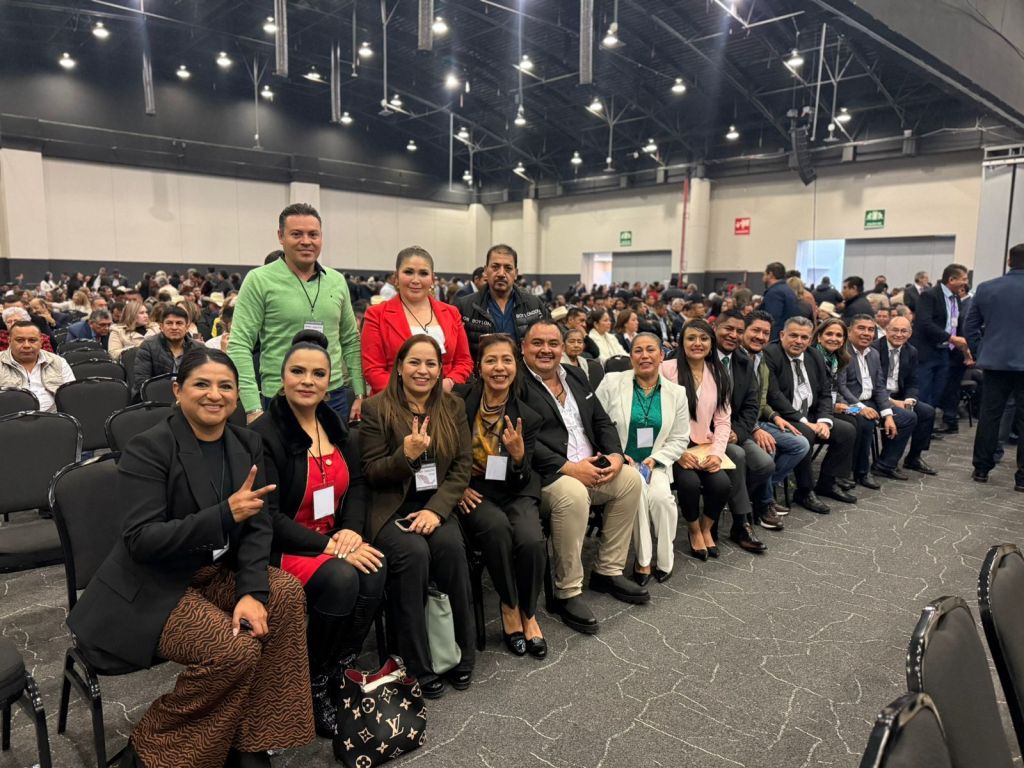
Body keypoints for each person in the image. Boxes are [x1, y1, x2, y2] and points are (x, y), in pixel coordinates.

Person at [66, 348, 314, 768]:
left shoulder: (247, 443)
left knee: (285, 592)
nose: (215, 394)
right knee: (235, 652)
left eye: (225, 386)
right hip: (153, 583)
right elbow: (141, 541)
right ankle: (148, 753)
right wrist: (224, 515)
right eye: (202, 384)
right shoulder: (149, 447)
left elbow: (258, 527)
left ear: (237, 395)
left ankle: (252, 742)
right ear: (178, 390)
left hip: (212, 571)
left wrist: (252, 592)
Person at [250, 332, 385, 736]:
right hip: (285, 545)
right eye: (298, 371)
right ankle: (314, 680)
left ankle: (341, 665)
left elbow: (357, 484)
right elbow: (269, 518)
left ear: (330, 382)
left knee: (374, 569)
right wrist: (332, 547)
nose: (307, 381)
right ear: (282, 377)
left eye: (318, 374)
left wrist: (350, 532)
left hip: (332, 538)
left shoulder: (336, 424)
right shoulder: (264, 434)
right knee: (342, 577)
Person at [359, 334, 475, 698]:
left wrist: (437, 511)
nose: (422, 370)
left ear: (440, 370)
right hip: (392, 507)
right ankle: (417, 662)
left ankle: (462, 650)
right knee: (413, 554)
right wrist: (405, 456)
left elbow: (462, 466)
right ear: (399, 367)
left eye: (430, 364)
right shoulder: (376, 408)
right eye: (414, 362)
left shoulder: (452, 406)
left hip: (436, 505)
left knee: (451, 549)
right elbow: (372, 473)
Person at [519, 320, 646, 634]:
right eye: (537, 343)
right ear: (523, 347)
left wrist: (615, 455)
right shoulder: (516, 382)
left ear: (562, 348)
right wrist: (569, 468)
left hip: (592, 467)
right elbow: (523, 441)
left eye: (553, 343)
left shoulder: (575, 375)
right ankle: (568, 591)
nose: (546, 350)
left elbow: (601, 420)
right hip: (549, 476)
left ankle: (608, 571)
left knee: (630, 480)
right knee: (573, 494)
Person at [229, 203, 366, 425]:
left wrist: (359, 392)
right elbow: (239, 344)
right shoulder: (259, 280)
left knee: (334, 449)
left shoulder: (337, 281)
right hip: (280, 395)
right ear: (280, 237)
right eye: (296, 234)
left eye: (313, 234)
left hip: (332, 396)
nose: (306, 241)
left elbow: (350, 339)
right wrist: (252, 406)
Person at [455, 335, 547, 658]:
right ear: (479, 367)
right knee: (496, 529)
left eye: (507, 360)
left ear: (516, 366)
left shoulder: (528, 416)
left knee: (531, 539)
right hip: (473, 490)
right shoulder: (458, 401)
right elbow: (442, 451)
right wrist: (457, 487)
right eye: (491, 360)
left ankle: (529, 613)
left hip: (515, 489)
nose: (499, 367)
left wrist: (519, 457)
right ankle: (510, 607)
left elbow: (523, 477)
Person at [596, 333, 689, 582]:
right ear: (631, 356)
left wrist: (656, 459)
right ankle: (643, 561)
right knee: (637, 496)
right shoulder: (611, 382)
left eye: (650, 350)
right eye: (638, 350)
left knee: (662, 499)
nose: (644, 356)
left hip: (654, 463)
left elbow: (680, 438)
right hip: (622, 463)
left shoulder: (677, 393)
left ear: (661, 356)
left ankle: (666, 559)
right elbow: (596, 423)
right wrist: (616, 453)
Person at [765, 317, 857, 514]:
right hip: (784, 417)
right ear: (782, 335)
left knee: (847, 430)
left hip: (812, 414)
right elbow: (774, 395)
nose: (799, 341)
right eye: (793, 335)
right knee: (805, 433)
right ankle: (805, 491)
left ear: (810, 339)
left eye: (804, 337)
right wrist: (805, 422)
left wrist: (824, 420)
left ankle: (827, 482)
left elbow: (825, 392)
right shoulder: (771, 354)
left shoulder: (813, 355)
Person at [661, 320, 734, 561]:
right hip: (672, 447)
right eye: (691, 338)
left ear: (712, 344)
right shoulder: (666, 369)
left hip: (704, 446)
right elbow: (656, 415)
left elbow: (722, 421)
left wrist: (717, 454)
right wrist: (676, 453)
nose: (697, 343)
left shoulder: (719, 373)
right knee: (689, 483)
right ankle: (693, 531)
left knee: (722, 484)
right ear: (681, 342)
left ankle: (706, 528)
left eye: (704, 338)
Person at [361, 246, 473, 394]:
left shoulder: (452, 313)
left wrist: (450, 382)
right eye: (409, 272)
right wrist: (411, 395)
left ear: (432, 278)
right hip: (393, 401)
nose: (415, 280)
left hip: (444, 400)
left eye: (423, 273)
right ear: (396, 277)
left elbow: (464, 361)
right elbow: (373, 370)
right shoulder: (376, 315)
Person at [740, 311, 811, 522]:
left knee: (800, 444)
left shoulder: (760, 359)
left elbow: (761, 400)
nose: (760, 336)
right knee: (768, 449)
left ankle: (761, 492)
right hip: (739, 424)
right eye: (755, 330)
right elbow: (733, 406)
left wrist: (774, 416)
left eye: (765, 333)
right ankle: (763, 504)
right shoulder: (736, 359)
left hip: (758, 419)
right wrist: (755, 429)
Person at [712, 310, 777, 543]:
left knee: (764, 464)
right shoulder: (701, 355)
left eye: (739, 331)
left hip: (734, 430)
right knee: (737, 456)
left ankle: (723, 501)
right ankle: (741, 522)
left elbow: (751, 406)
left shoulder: (744, 361)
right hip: (704, 432)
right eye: (728, 329)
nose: (734, 335)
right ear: (715, 328)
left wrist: (738, 433)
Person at [966, 243, 1024, 489]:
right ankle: (1022, 479)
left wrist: (981, 351)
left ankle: (981, 469)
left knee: (989, 416)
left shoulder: (986, 288)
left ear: (1009, 261)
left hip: (994, 363)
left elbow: (970, 326)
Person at [837, 315, 916, 487]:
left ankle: (885, 465)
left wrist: (888, 415)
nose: (866, 333)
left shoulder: (873, 354)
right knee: (865, 421)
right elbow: (841, 388)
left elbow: (880, 388)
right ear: (849, 331)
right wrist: (860, 408)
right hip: (847, 405)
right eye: (861, 328)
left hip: (870, 402)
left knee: (907, 417)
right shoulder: (843, 352)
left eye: (870, 330)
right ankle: (860, 472)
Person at [455, 244, 549, 360]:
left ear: (516, 273)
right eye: (495, 267)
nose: (501, 273)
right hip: (478, 371)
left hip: (523, 371)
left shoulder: (535, 305)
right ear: (486, 271)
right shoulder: (464, 307)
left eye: (508, 268)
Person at [874, 315, 938, 475]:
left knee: (927, 412)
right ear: (886, 330)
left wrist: (910, 400)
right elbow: (872, 385)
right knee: (907, 416)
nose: (899, 334)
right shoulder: (874, 349)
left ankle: (913, 458)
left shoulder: (911, 351)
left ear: (910, 334)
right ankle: (886, 464)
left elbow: (913, 382)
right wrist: (892, 402)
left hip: (899, 396)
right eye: (895, 330)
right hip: (876, 397)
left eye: (904, 331)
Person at [909, 263, 970, 412]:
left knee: (938, 393)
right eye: (964, 279)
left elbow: (954, 323)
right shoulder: (929, 295)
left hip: (945, 353)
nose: (966, 283)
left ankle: (929, 424)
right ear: (951, 279)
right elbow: (925, 323)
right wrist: (951, 338)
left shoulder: (955, 298)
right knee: (924, 394)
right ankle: (919, 424)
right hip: (927, 352)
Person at [0, 321, 74, 411]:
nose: (26, 345)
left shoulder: (58, 362)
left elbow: (71, 396)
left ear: (41, 342)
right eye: (20, 340)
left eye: (32, 340)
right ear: (9, 341)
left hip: (53, 416)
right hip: (9, 417)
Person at [133, 305, 199, 396]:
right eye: (169, 323)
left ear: (187, 327)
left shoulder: (198, 348)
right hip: (156, 397)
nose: (174, 327)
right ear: (161, 327)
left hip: (189, 397)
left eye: (179, 323)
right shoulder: (148, 346)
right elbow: (142, 382)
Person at [761, 262, 798, 341]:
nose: (762, 278)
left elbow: (773, 319)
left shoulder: (775, 292)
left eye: (764, 274)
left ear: (770, 274)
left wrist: (769, 341)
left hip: (775, 338)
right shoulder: (788, 290)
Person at [561, 327, 604, 391]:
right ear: (563, 345)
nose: (576, 345)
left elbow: (586, 384)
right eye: (571, 342)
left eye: (579, 342)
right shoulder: (559, 362)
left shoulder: (583, 361)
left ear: (583, 346)